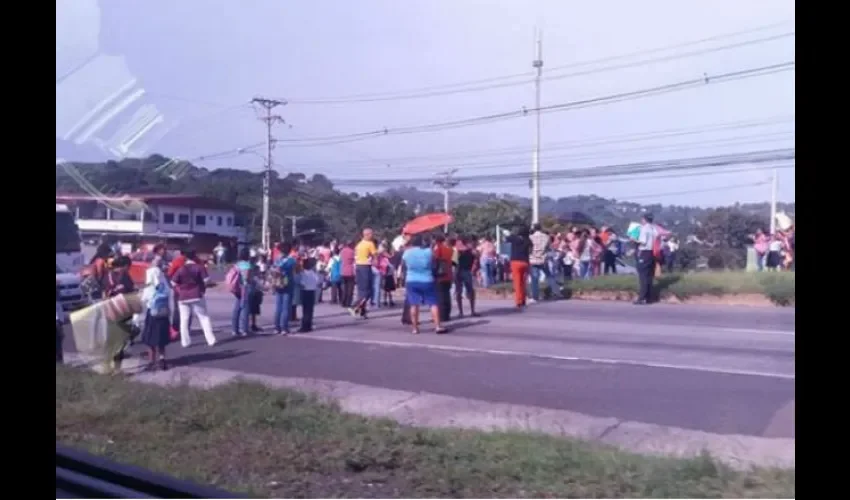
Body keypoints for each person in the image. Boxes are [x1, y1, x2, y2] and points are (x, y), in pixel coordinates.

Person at [402, 234, 447, 334]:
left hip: (412, 280)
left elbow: (404, 264)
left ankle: (415, 328)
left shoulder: (407, 253)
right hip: (427, 279)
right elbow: (435, 260)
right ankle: (437, 326)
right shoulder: (428, 252)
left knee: (414, 304)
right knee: (433, 304)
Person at [171, 249, 217, 347]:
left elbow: (173, 283)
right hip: (197, 294)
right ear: (194, 256)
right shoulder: (199, 267)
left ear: (186, 257)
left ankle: (185, 342)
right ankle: (211, 340)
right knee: (204, 317)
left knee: (184, 319)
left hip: (183, 296)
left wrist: (180, 290)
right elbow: (207, 281)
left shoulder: (181, 269)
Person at [140, 245, 171, 371]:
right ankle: (162, 360)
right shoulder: (164, 283)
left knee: (150, 338)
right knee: (162, 338)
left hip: (152, 312)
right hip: (163, 312)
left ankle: (151, 361)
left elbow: (144, 298)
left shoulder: (150, 284)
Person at [632, 213, 660, 305]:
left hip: (644, 252)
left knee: (643, 276)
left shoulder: (644, 229)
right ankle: (649, 297)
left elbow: (643, 242)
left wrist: (634, 239)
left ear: (644, 219)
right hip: (652, 252)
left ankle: (642, 298)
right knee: (649, 276)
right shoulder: (654, 229)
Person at [271, 242, 298, 335]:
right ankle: (284, 328)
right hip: (287, 283)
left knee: (278, 306)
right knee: (286, 307)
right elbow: (295, 271)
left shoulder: (276, 259)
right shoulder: (291, 260)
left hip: (277, 283)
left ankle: (276, 327)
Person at [350, 229, 376, 319]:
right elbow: (375, 256)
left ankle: (362, 311)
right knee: (368, 291)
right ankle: (354, 306)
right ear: (367, 235)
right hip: (365, 266)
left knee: (361, 290)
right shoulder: (370, 244)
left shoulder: (359, 244)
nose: (372, 236)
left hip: (358, 267)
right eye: (371, 234)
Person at [231, 248, 256, 337]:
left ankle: (235, 329)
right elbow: (247, 278)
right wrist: (253, 281)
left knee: (237, 307)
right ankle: (244, 329)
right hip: (245, 287)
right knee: (245, 308)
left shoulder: (237, 264)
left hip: (237, 287)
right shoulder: (247, 265)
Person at [506, 225, 531, 310]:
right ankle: (523, 300)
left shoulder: (514, 238)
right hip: (525, 262)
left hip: (515, 262)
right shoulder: (528, 240)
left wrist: (512, 233)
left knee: (517, 283)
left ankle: (518, 301)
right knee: (523, 283)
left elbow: (507, 238)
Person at [454, 235, 479, 317]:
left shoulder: (468, 249)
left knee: (460, 291)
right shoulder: (467, 249)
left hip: (461, 271)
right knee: (468, 291)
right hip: (464, 271)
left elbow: (453, 262)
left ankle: (462, 312)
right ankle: (471, 311)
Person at [433, 234, 454, 322]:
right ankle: (447, 314)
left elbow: (435, 260)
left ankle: (442, 316)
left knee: (440, 296)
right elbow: (453, 262)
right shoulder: (450, 249)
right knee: (447, 295)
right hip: (448, 274)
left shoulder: (438, 248)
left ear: (436, 240)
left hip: (440, 275)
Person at [529, 223, 551, 302]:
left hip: (533, 259)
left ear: (534, 229)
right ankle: (555, 292)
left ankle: (535, 297)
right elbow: (548, 247)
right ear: (540, 228)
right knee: (549, 276)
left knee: (535, 279)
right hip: (543, 259)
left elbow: (529, 248)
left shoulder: (530, 237)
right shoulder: (546, 237)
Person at [298, 258, 320, 332]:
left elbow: (302, 284)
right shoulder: (313, 273)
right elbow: (318, 282)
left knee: (305, 310)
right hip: (312, 292)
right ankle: (309, 325)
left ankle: (305, 326)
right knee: (310, 310)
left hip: (305, 292)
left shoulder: (303, 273)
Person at [339, 241, 356, 308]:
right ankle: (348, 303)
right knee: (350, 288)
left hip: (343, 271)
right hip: (350, 271)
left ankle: (343, 302)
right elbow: (355, 261)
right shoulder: (352, 252)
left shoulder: (342, 251)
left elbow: (340, 259)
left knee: (344, 288)